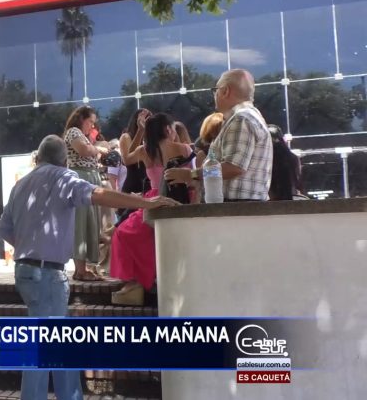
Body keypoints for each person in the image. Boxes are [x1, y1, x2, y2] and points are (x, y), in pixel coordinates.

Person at [0, 135, 177, 400]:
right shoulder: (63, 177)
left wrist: (29, 246)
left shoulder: (21, 184)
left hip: (25, 270)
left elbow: (4, 229)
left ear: (39, 157)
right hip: (48, 272)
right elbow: (99, 194)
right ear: (64, 158)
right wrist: (146, 203)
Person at [111, 113, 195, 306]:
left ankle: (137, 281)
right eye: (173, 128)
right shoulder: (183, 148)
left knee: (123, 233)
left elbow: (125, 159)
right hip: (179, 198)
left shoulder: (144, 150)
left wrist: (140, 130)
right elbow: (192, 180)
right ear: (167, 129)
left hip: (154, 199)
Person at [165, 69, 273, 202]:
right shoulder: (251, 117)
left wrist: (192, 174)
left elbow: (234, 167)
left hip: (235, 209)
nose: (214, 95)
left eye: (215, 90)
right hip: (242, 208)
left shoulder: (241, 119)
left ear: (225, 91)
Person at [62, 106, 109, 281]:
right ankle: (80, 269)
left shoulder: (83, 135)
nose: (92, 126)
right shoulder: (73, 132)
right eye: (90, 122)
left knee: (90, 224)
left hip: (88, 179)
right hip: (81, 179)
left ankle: (86, 267)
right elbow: (83, 150)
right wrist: (100, 149)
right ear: (81, 119)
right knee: (81, 224)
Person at [267, 124, 302, 201]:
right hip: (290, 197)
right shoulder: (293, 158)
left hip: (270, 198)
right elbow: (297, 181)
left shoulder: (266, 157)